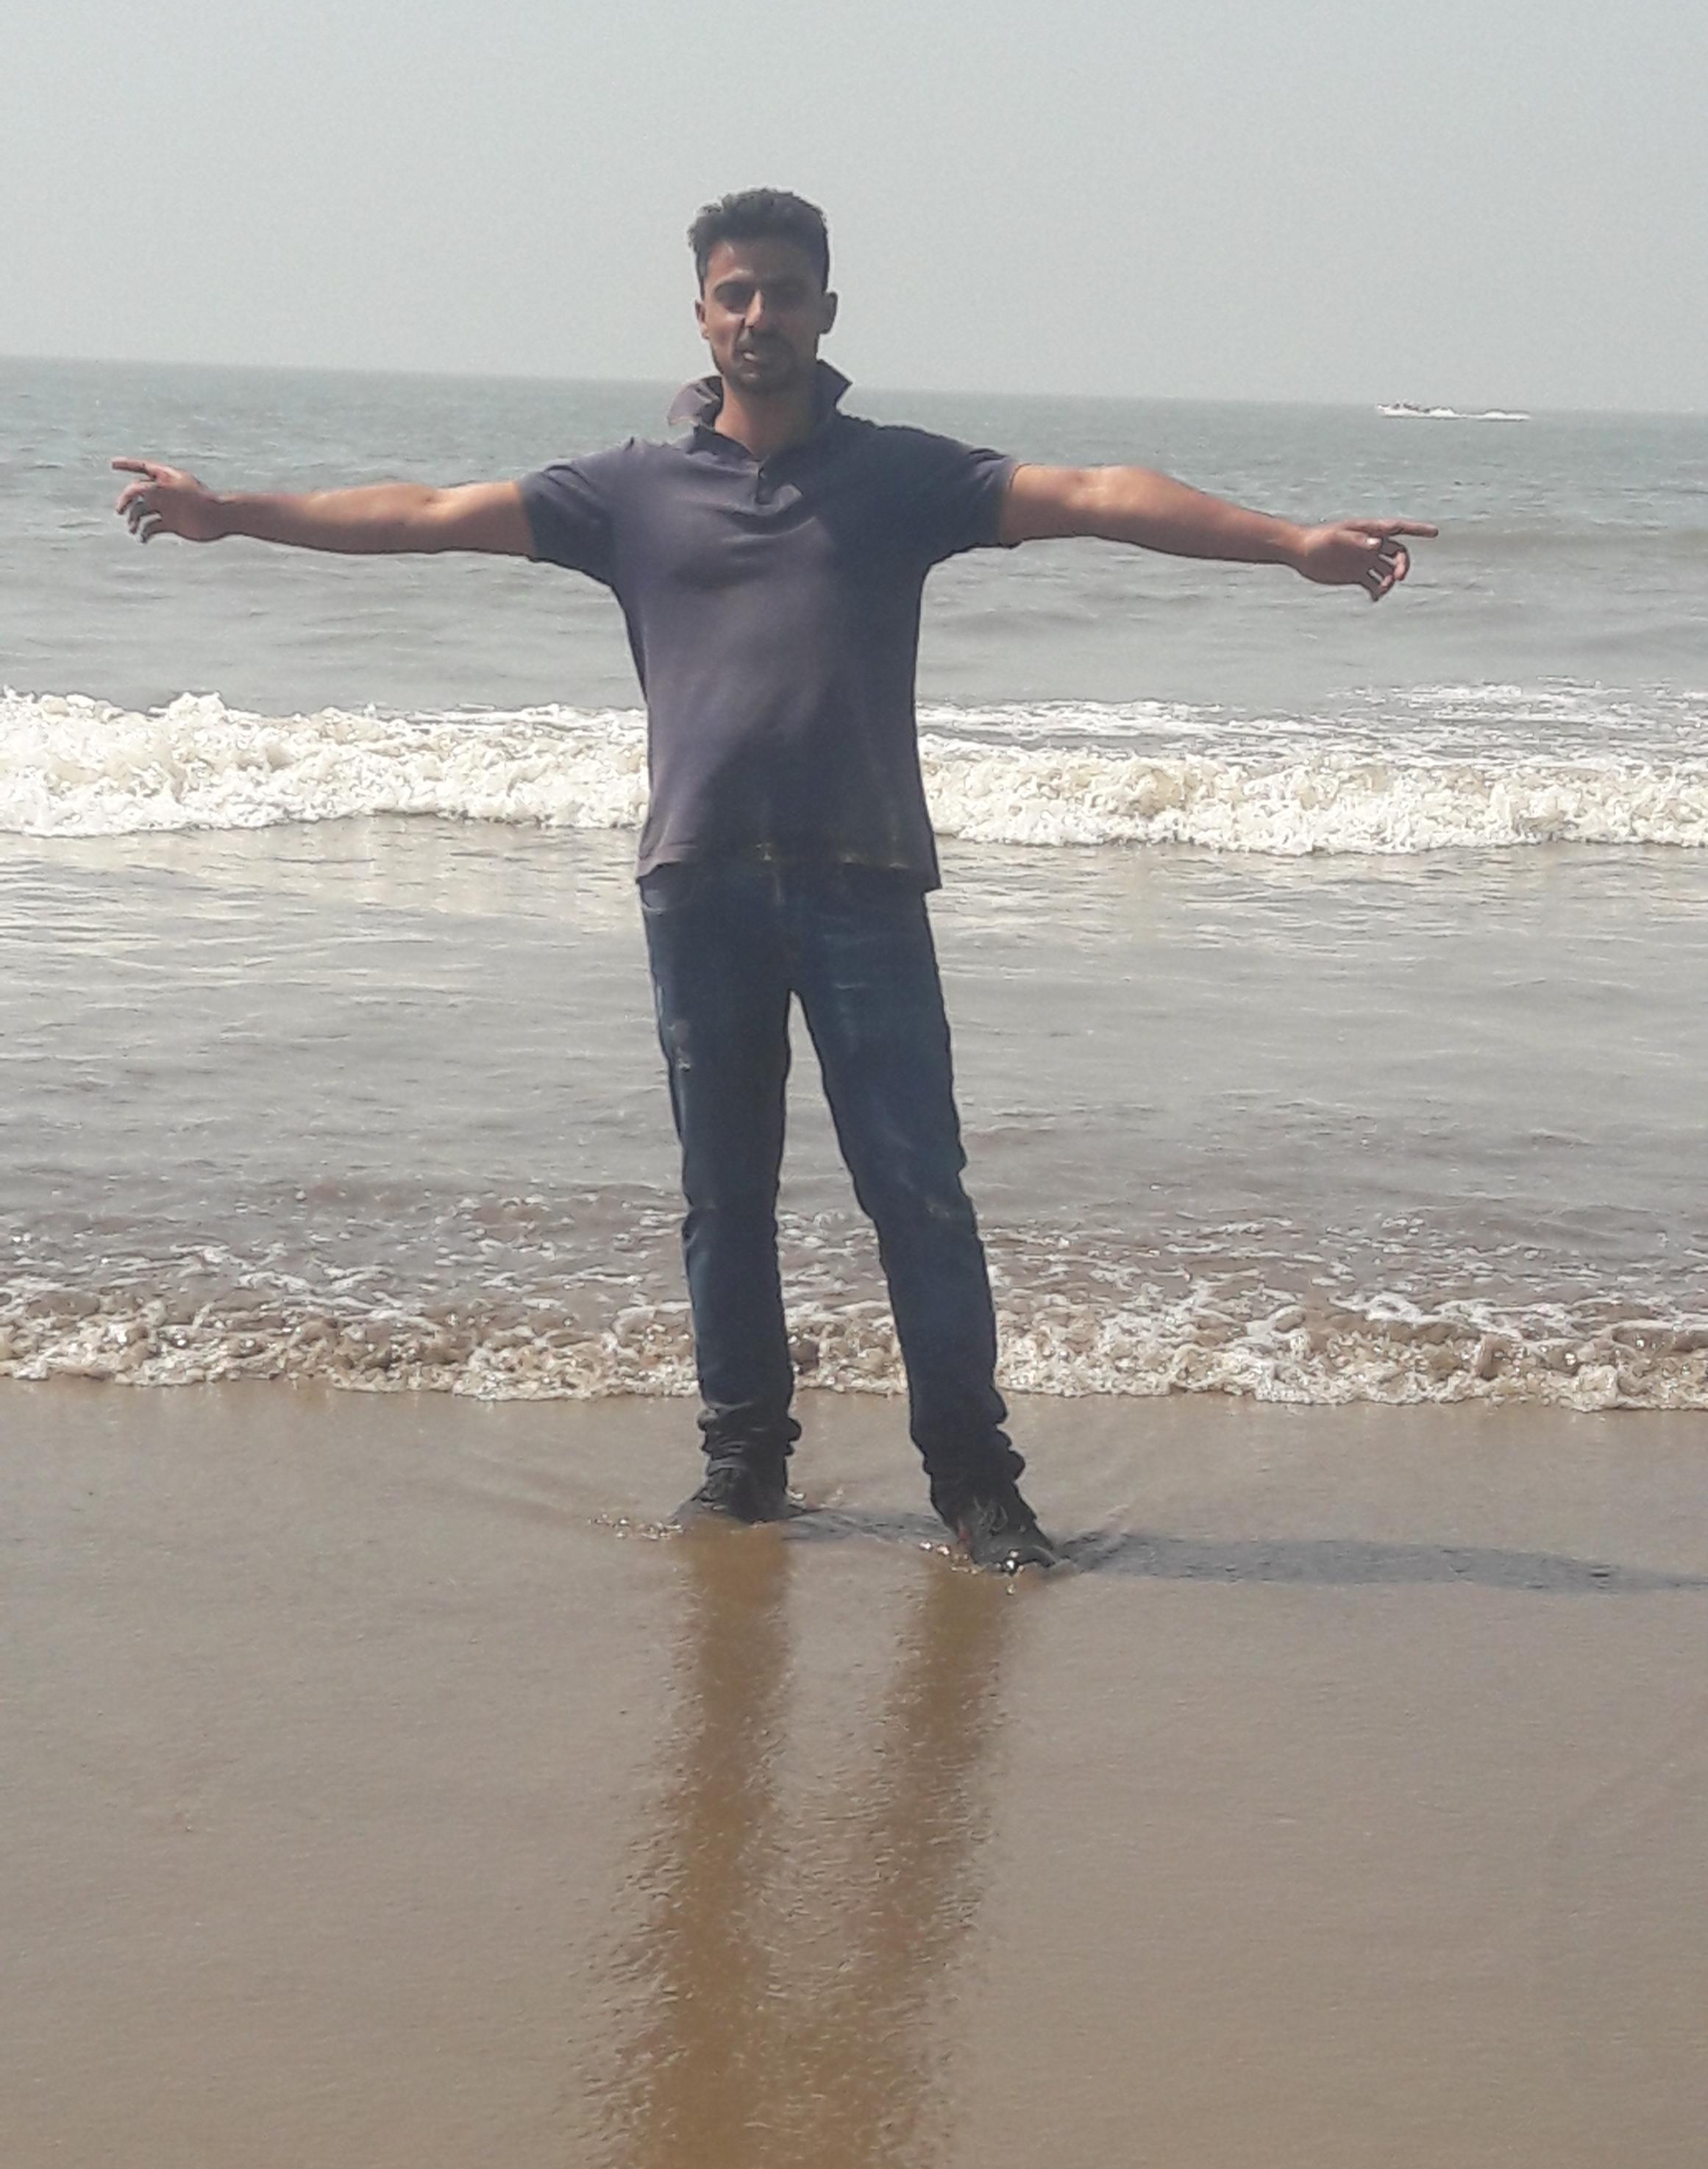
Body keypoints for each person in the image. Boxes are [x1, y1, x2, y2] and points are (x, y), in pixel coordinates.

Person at [114, 186, 1433, 1570]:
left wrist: (1291, 544)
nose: (759, 316)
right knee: (723, 1196)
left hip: (863, 882)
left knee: (918, 1192)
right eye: (734, 294)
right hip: (700, 889)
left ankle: (975, 1484)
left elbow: (1100, 495)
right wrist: (230, 514)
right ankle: (743, 1467)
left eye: (783, 293)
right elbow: (426, 513)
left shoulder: (902, 479)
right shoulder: (625, 494)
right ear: (701, 315)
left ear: (825, 312)